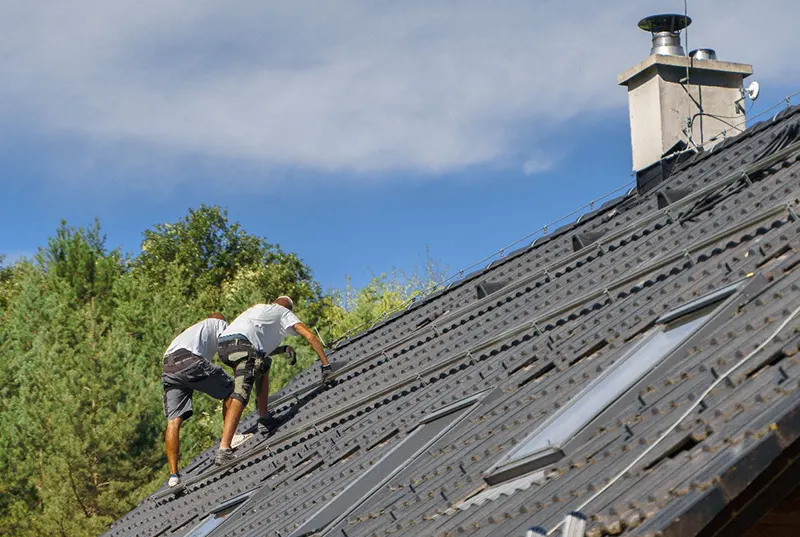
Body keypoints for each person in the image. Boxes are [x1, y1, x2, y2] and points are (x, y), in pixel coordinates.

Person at [215, 296, 330, 465]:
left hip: (225, 347)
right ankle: (224, 449)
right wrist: (326, 366)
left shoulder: (260, 308)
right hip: (242, 346)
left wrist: (283, 349)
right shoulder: (284, 312)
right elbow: (310, 337)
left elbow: (257, 346)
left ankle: (264, 418)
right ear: (289, 309)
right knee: (242, 391)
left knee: (263, 364)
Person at [162, 313, 233, 489]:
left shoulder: (191, 331)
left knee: (173, 421)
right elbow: (229, 349)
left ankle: (173, 476)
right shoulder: (218, 324)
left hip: (168, 368)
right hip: (188, 360)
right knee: (231, 389)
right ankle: (229, 440)